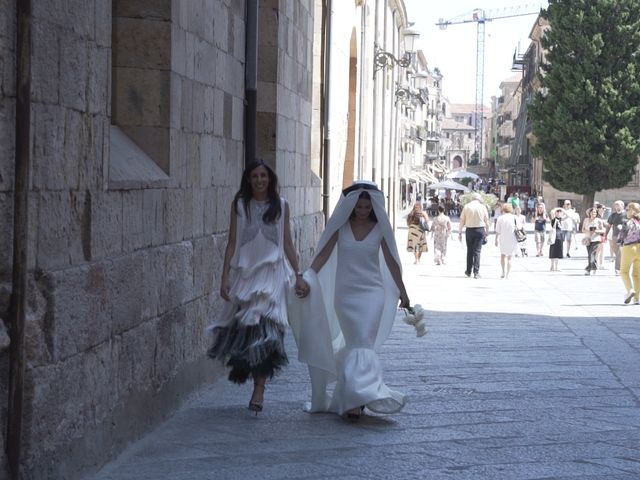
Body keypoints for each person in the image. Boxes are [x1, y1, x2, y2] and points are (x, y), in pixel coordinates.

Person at [289, 182, 410, 420]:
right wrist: (308, 275)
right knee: (356, 344)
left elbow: (392, 262)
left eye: (366, 207)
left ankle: (356, 400)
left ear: (373, 207)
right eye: (358, 206)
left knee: (363, 342)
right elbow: (323, 254)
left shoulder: (379, 229)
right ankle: (356, 396)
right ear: (351, 206)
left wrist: (404, 293)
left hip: (373, 294)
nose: (362, 210)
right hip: (345, 296)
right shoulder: (340, 228)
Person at [207, 160, 308, 414]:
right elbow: (232, 243)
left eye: (263, 175)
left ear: (269, 179)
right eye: (255, 176)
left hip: (273, 274)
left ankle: (259, 389)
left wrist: (298, 274)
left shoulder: (281, 206)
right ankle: (253, 377)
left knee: (268, 330)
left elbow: (287, 243)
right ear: (248, 180)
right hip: (246, 274)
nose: (259, 180)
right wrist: (224, 277)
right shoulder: (240, 206)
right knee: (247, 331)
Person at [458, 192, 490, 279]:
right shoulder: (482, 207)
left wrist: (460, 232)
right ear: (479, 199)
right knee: (477, 251)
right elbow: (487, 221)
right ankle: (476, 272)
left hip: (469, 230)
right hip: (480, 230)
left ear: (472, 199)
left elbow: (462, 220)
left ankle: (468, 271)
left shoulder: (467, 206)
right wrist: (487, 232)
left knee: (469, 251)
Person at [618, 202, 640, 304]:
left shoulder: (628, 222)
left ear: (632, 211)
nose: (626, 211)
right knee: (636, 274)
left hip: (629, 247)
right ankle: (636, 298)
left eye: (627, 209)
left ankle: (630, 290)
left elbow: (621, 237)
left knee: (624, 271)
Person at [494, 203, 517, 278]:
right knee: (510, 257)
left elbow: (497, 231)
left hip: (503, 238)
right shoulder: (514, 217)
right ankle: (508, 274)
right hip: (512, 238)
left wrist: (496, 239)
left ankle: (503, 271)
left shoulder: (500, 218)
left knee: (503, 255)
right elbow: (519, 227)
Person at [582, 207, 606, 275]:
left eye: (595, 212)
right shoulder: (586, 220)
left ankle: (589, 269)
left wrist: (596, 231)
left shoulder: (598, 220)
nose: (594, 214)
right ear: (589, 213)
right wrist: (588, 231)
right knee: (589, 254)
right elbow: (582, 229)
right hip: (587, 239)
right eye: (592, 212)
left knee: (591, 254)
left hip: (596, 239)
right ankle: (593, 267)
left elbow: (603, 230)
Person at [606, 200, 626, 275]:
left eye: (618, 205)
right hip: (615, 236)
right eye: (616, 205)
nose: (617, 206)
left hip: (624, 236)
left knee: (619, 253)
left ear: (622, 206)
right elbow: (608, 226)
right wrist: (605, 236)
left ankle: (618, 269)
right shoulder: (613, 215)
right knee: (616, 252)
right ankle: (621, 266)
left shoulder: (626, 215)